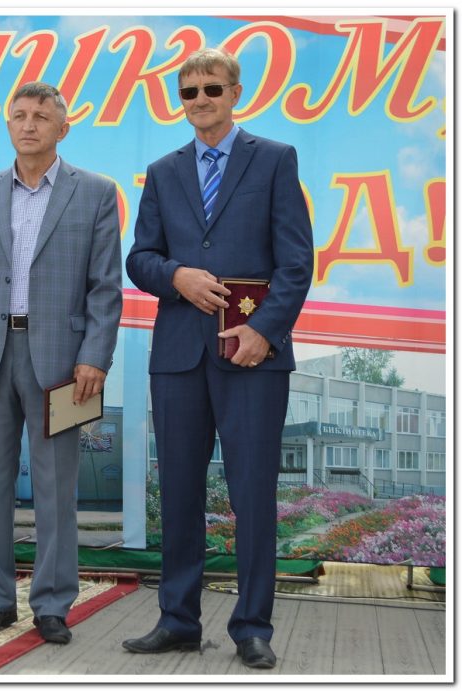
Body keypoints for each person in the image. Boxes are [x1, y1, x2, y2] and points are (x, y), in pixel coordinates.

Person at [123, 48, 313, 668]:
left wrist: (265, 331)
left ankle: (252, 627)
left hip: (253, 356)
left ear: (236, 93)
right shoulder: (163, 171)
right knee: (179, 492)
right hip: (179, 356)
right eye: (189, 91)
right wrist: (175, 276)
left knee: (252, 494)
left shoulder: (275, 159)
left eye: (212, 88)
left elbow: (296, 262)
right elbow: (140, 258)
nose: (200, 99)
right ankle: (178, 620)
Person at [0, 81, 123, 645]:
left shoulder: (95, 193)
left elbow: (105, 287)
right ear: (8, 125)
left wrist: (94, 357)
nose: (28, 125)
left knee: (56, 489)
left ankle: (52, 604)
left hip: (64, 364)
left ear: (62, 128)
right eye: (18, 115)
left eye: (41, 117)